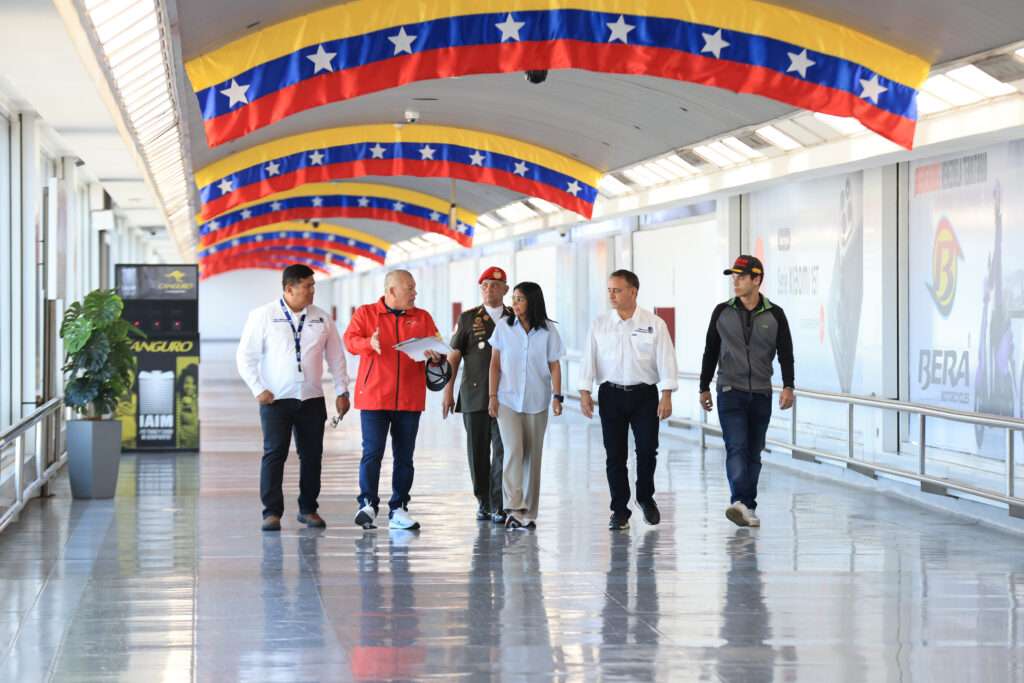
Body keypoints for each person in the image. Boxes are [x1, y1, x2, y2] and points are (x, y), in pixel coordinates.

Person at [237, 264, 351, 531]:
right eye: (307, 286)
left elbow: (336, 357)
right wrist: (258, 389)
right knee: (274, 454)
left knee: (312, 455)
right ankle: (271, 512)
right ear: (289, 289)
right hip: (275, 400)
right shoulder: (263, 316)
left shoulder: (322, 318)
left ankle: (308, 509)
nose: (313, 290)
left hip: (311, 399)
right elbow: (246, 357)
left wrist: (342, 390)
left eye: (313, 285)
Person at [578, 269, 678, 531]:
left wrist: (666, 394)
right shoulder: (600, 324)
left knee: (647, 450)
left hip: (645, 395)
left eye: (617, 290)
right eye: (609, 290)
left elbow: (666, 359)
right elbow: (588, 358)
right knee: (615, 455)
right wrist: (584, 392)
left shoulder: (654, 324)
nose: (612, 294)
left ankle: (645, 497)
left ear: (633, 292)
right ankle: (619, 511)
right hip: (610, 395)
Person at [700, 255, 795, 528]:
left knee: (754, 451)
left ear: (757, 279)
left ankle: (747, 506)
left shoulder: (775, 314)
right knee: (737, 446)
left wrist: (788, 385)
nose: (736, 282)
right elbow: (711, 351)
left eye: (741, 277)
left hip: (762, 393)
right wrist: (703, 386)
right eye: (734, 277)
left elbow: (786, 353)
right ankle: (740, 499)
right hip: (730, 389)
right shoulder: (722, 311)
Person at [344, 270, 443, 531]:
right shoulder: (366, 314)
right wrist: (368, 343)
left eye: (414, 288)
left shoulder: (422, 317)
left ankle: (399, 508)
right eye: (409, 288)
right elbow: (350, 341)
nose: (414, 293)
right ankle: (367, 503)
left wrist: (436, 357)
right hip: (374, 397)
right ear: (391, 291)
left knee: (404, 457)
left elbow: (438, 344)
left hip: (409, 398)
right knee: (372, 452)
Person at [487, 282, 565, 530]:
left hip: (537, 400)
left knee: (533, 455)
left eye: (520, 299)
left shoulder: (548, 331)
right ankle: (513, 507)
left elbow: (554, 364)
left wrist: (557, 396)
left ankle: (529, 511)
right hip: (507, 399)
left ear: (532, 301)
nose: (514, 303)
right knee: (513, 451)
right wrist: (492, 396)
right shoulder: (503, 327)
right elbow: (494, 365)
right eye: (514, 298)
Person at [442, 266, 513, 524]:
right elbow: (454, 356)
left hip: (507, 396)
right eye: (484, 285)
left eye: (494, 285)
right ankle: (482, 499)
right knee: (478, 451)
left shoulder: (514, 317)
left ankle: (498, 503)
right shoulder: (468, 318)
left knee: (504, 449)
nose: (488, 289)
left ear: (505, 289)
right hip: (474, 395)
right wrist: (447, 390)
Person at [175, 362, 199, 449]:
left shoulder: (200, 400)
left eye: (193, 384)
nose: (190, 386)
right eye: (187, 383)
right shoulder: (178, 400)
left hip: (197, 444)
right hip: (184, 446)